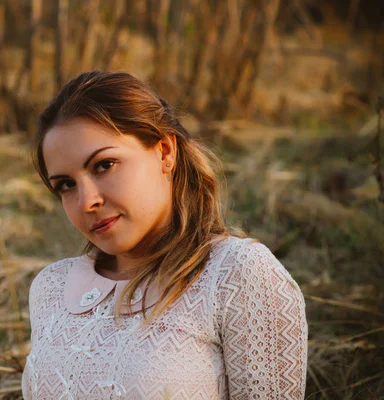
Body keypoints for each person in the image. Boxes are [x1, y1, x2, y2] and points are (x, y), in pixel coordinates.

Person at [22, 71, 308, 399]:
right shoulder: (51, 288)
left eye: (104, 165)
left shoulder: (237, 276)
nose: (87, 202)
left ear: (165, 151)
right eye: (66, 185)